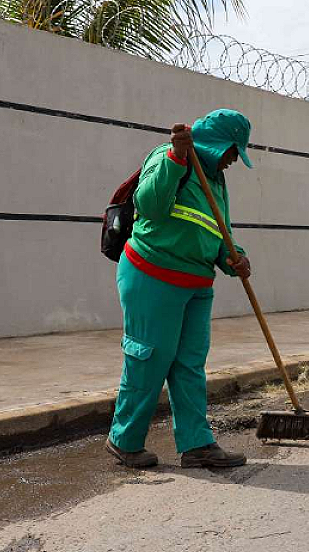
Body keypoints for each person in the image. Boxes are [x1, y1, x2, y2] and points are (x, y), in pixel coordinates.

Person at [105, 109, 254, 469]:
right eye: (234, 152)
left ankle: (196, 444)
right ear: (220, 145)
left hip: (197, 283)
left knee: (190, 364)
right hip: (153, 274)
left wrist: (235, 258)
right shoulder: (170, 157)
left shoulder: (216, 179)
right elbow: (151, 206)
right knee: (149, 358)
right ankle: (123, 440)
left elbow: (218, 229)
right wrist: (176, 158)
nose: (235, 160)